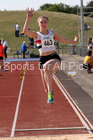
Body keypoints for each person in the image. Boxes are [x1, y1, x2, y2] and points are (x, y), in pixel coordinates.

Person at [23, 8, 78, 104]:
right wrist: (28, 18)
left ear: (48, 23)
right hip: (42, 59)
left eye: (45, 22)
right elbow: (25, 32)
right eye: (41, 22)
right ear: (38, 24)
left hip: (54, 57)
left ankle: (50, 93)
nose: (43, 23)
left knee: (47, 66)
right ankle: (49, 91)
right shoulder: (36, 35)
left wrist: (74, 41)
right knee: (45, 86)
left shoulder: (52, 32)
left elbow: (63, 39)